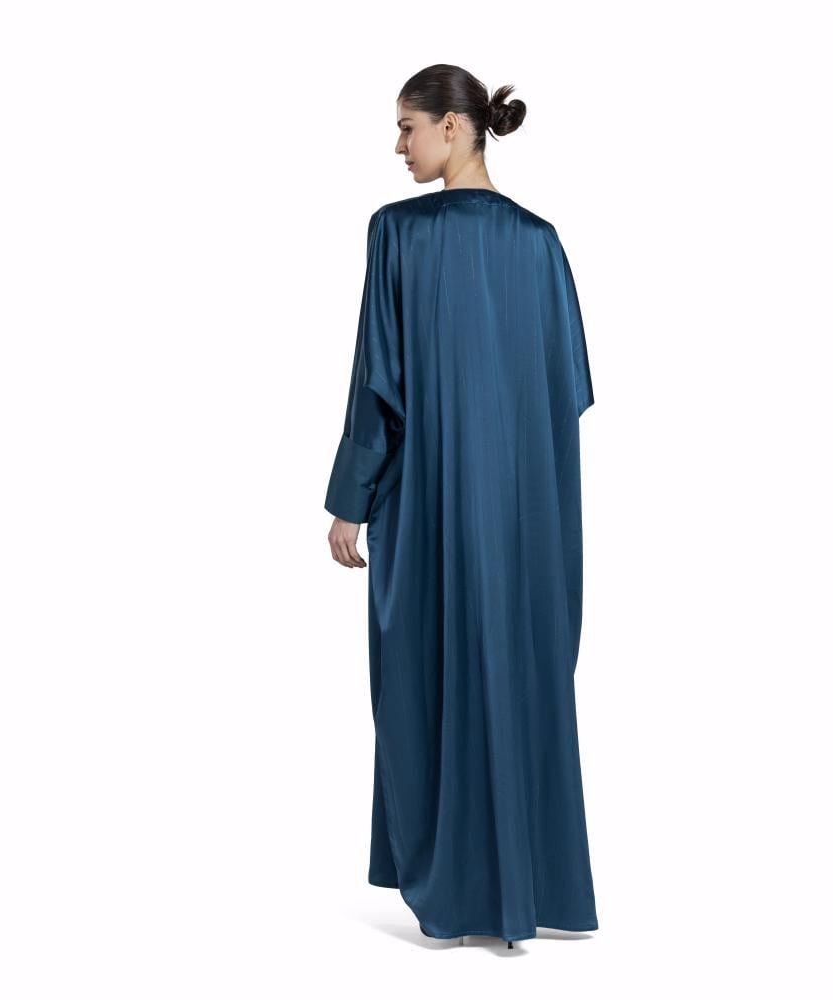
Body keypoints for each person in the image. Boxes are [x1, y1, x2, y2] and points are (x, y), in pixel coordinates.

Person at [324, 64, 597, 948]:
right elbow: (566, 393)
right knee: (513, 672)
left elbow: (378, 383)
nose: (397, 146)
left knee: (425, 681)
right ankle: (518, 887)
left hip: (430, 503)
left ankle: (453, 890)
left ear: (453, 126)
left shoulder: (398, 234)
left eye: (407, 127)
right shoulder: (541, 244)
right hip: (525, 512)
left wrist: (351, 501)